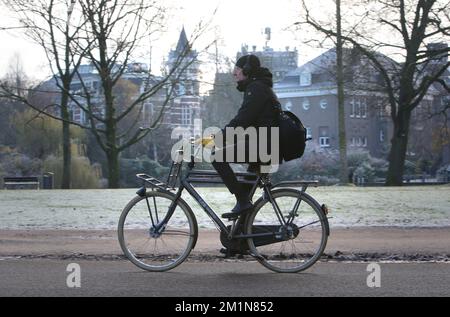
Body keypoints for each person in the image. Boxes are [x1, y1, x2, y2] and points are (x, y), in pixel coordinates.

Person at [208, 54, 280, 219]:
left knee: (217, 157)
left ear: (247, 70)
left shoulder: (256, 89)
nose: (235, 74)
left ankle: (242, 201)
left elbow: (243, 120)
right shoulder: (259, 87)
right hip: (267, 145)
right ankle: (239, 239)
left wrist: (220, 137)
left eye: (238, 70)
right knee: (245, 201)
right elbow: (248, 123)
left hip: (264, 146)